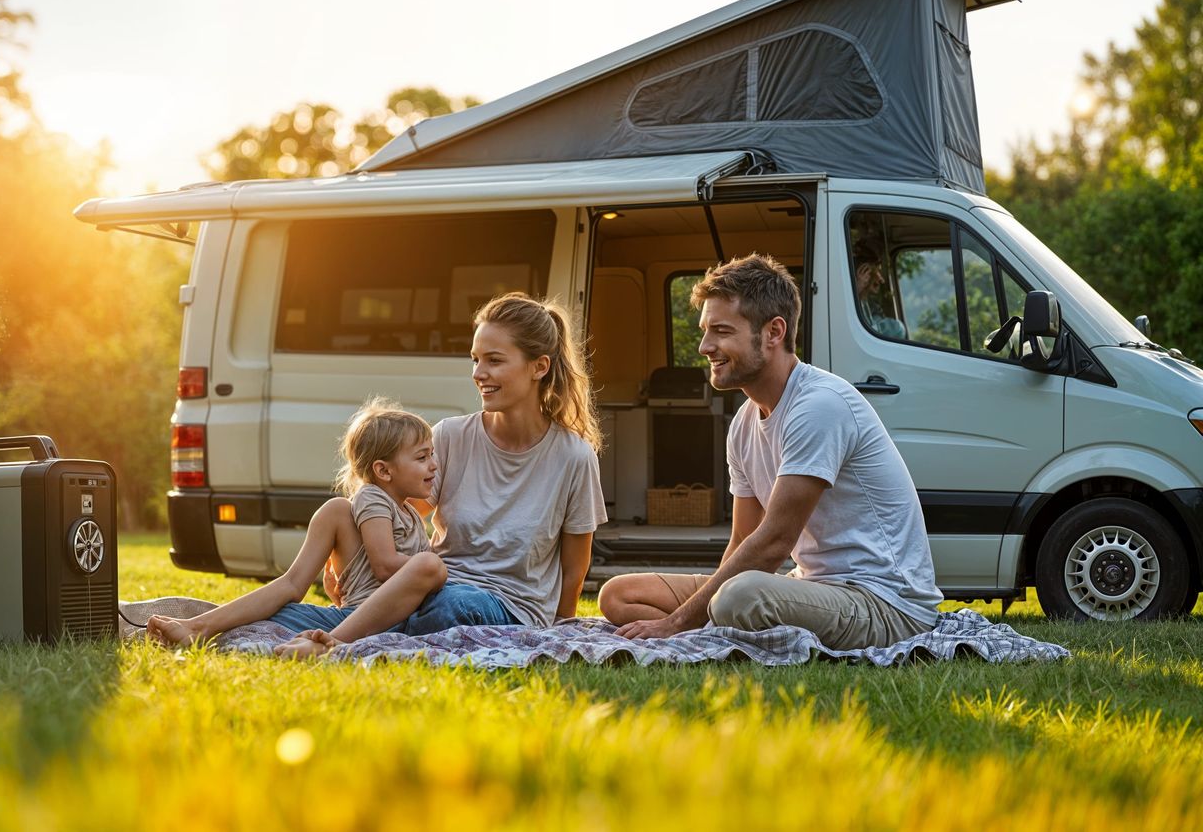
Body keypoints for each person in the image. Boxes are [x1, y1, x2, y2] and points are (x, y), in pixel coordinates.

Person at [598, 254, 942, 650]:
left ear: (773, 332)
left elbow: (775, 542)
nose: (705, 347)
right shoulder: (744, 424)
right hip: (810, 587)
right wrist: (694, 610)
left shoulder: (820, 405)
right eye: (705, 331)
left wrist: (675, 623)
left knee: (737, 597)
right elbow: (743, 539)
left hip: (884, 604)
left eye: (721, 331)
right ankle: (716, 623)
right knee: (618, 594)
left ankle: (713, 623)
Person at [327, 292, 608, 634]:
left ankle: (362, 629)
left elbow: (574, 567)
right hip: (435, 588)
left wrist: (560, 627)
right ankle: (359, 626)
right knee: (293, 615)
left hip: (510, 605)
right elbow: (394, 509)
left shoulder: (574, 457)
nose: (478, 373)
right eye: (475, 360)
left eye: (494, 361)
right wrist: (350, 554)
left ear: (540, 367)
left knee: (453, 605)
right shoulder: (450, 436)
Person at [146, 398, 447, 658]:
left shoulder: (410, 513)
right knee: (428, 565)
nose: (434, 464)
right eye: (422, 457)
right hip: (359, 619)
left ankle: (324, 639)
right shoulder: (370, 498)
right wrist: (437, 569)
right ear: (383, 470)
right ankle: (200, 626)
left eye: (432, 454)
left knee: (429, 566)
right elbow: (380, 567)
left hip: (388, 621)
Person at [852, 236, 906, 339]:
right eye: (877, 271)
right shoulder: (852, 303)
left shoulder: (871, 305)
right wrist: (858, 289)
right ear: (864, 272)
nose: (882, 280)